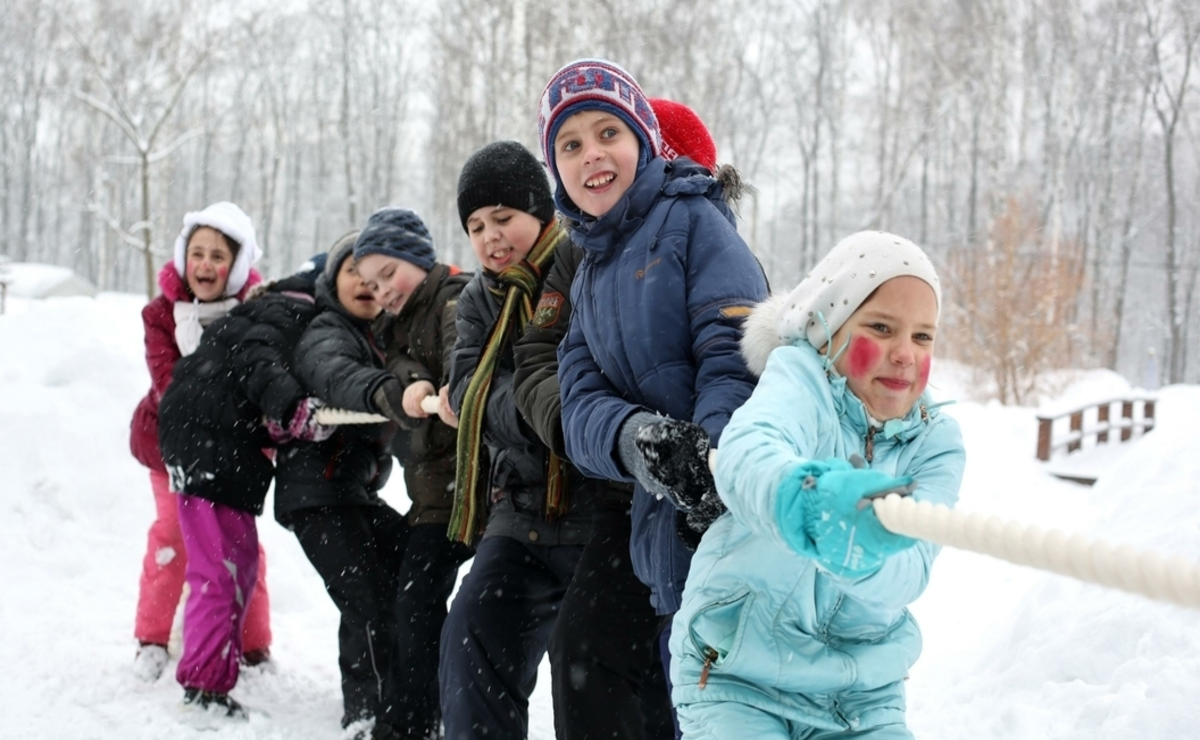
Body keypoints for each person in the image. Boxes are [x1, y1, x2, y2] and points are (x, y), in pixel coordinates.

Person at [536, 58, 769, 726]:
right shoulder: (587, 272)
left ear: (642, 139)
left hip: (726, 496)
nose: (591, 155)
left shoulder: (695, 223)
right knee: (592, 657)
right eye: (570, 145)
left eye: (607, 131)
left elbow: (735, 350)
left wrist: (711, 461)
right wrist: (635, 438)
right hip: (651, 500)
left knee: (709, 693)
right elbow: (577, 399)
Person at [664, 231, 967, 739]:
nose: (904, 354)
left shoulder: (936, 443)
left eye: (922, 336)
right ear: (827, 328)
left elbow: (910, 570)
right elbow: (749, 452)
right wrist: (808, 505)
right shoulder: (801, 382)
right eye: (881, 327)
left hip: (861, 698)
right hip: (737, 673)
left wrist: (856, 550)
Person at [439, 140, 609, 740]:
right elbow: (465, 389)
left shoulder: (588, 266)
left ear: (540, 211)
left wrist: (498, 397)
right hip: (520, 510)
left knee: (585, 671)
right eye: (475, 226)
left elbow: (587, 386)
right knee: (470, 635)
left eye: (503, 218)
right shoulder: (477, 300)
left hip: (599, 511)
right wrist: (533, 404)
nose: (490, 237)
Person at [158, 222, 332, 718]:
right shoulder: (292, 309)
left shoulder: (275, 305)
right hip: (206, 441)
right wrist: (291, 408)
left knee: (238, 564)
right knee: (220, 571)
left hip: (215, 440)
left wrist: (276, 424)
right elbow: (259, 365)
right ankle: (204, 688)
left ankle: (214, 665)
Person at [127, 201, 272, 683]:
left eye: (218, 256)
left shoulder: (255, 316)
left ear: (236, 266)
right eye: (197, 254)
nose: (205, 265)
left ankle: (253, 644)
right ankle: (151, 638)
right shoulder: (162, 314)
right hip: (171, 447)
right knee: (173, 536)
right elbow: (172, 384)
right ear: (184, 257)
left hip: (235, 450)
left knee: (240, 543)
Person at [345, 208, 476, 740]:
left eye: (387, 274)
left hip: (473, 492)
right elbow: (403, 365)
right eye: (371, 285)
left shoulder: (454, 299)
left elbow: (462, 357)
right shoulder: (396, 326)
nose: (381, 291)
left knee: (432, 607)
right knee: (413, 604)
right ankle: (411, 722)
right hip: (435, 498)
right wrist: (411, 381)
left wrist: (447, 390)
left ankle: (415, 723)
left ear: (417, 258)